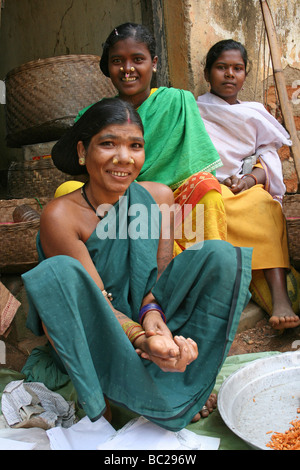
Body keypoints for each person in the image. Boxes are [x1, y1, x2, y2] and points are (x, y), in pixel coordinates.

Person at [21, 98, 252, 430]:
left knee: (219, 255)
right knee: (61, 274)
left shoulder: (158, 197)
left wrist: (152, 315)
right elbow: (94, 300)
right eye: (108, 144)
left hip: (144, 320)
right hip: (94, 331)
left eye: (135, 146)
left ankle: (178, 375)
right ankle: (114, 393)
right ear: (84, 151)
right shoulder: (61, 215)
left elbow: (155, 283)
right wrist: (142, 338)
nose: (124, 158)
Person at [58, 22, 227, 247]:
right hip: (112, 200)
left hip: (172, 201)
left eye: (138, 59)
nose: (127, 69)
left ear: (154, 63)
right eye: (117, 61)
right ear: (108, 66)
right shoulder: (93, 115)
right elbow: (81, 171)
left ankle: (206, 265)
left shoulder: (177, 102)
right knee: (66, 191)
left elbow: (197, 166)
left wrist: (153, 194)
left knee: (207, 187)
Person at [197, 39, 300, 330]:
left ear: (244, 75)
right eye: (221, 67)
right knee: (207, 203)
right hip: (211, 187)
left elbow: (268, 157)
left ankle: (280, 298)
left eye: (237, 68)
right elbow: (189, 156)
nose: (230, 74)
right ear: (207, 74)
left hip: (244, 188)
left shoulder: (255, 113)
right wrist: (217, 179)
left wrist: (248, 180)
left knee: (264, 204)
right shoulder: (194, 112)